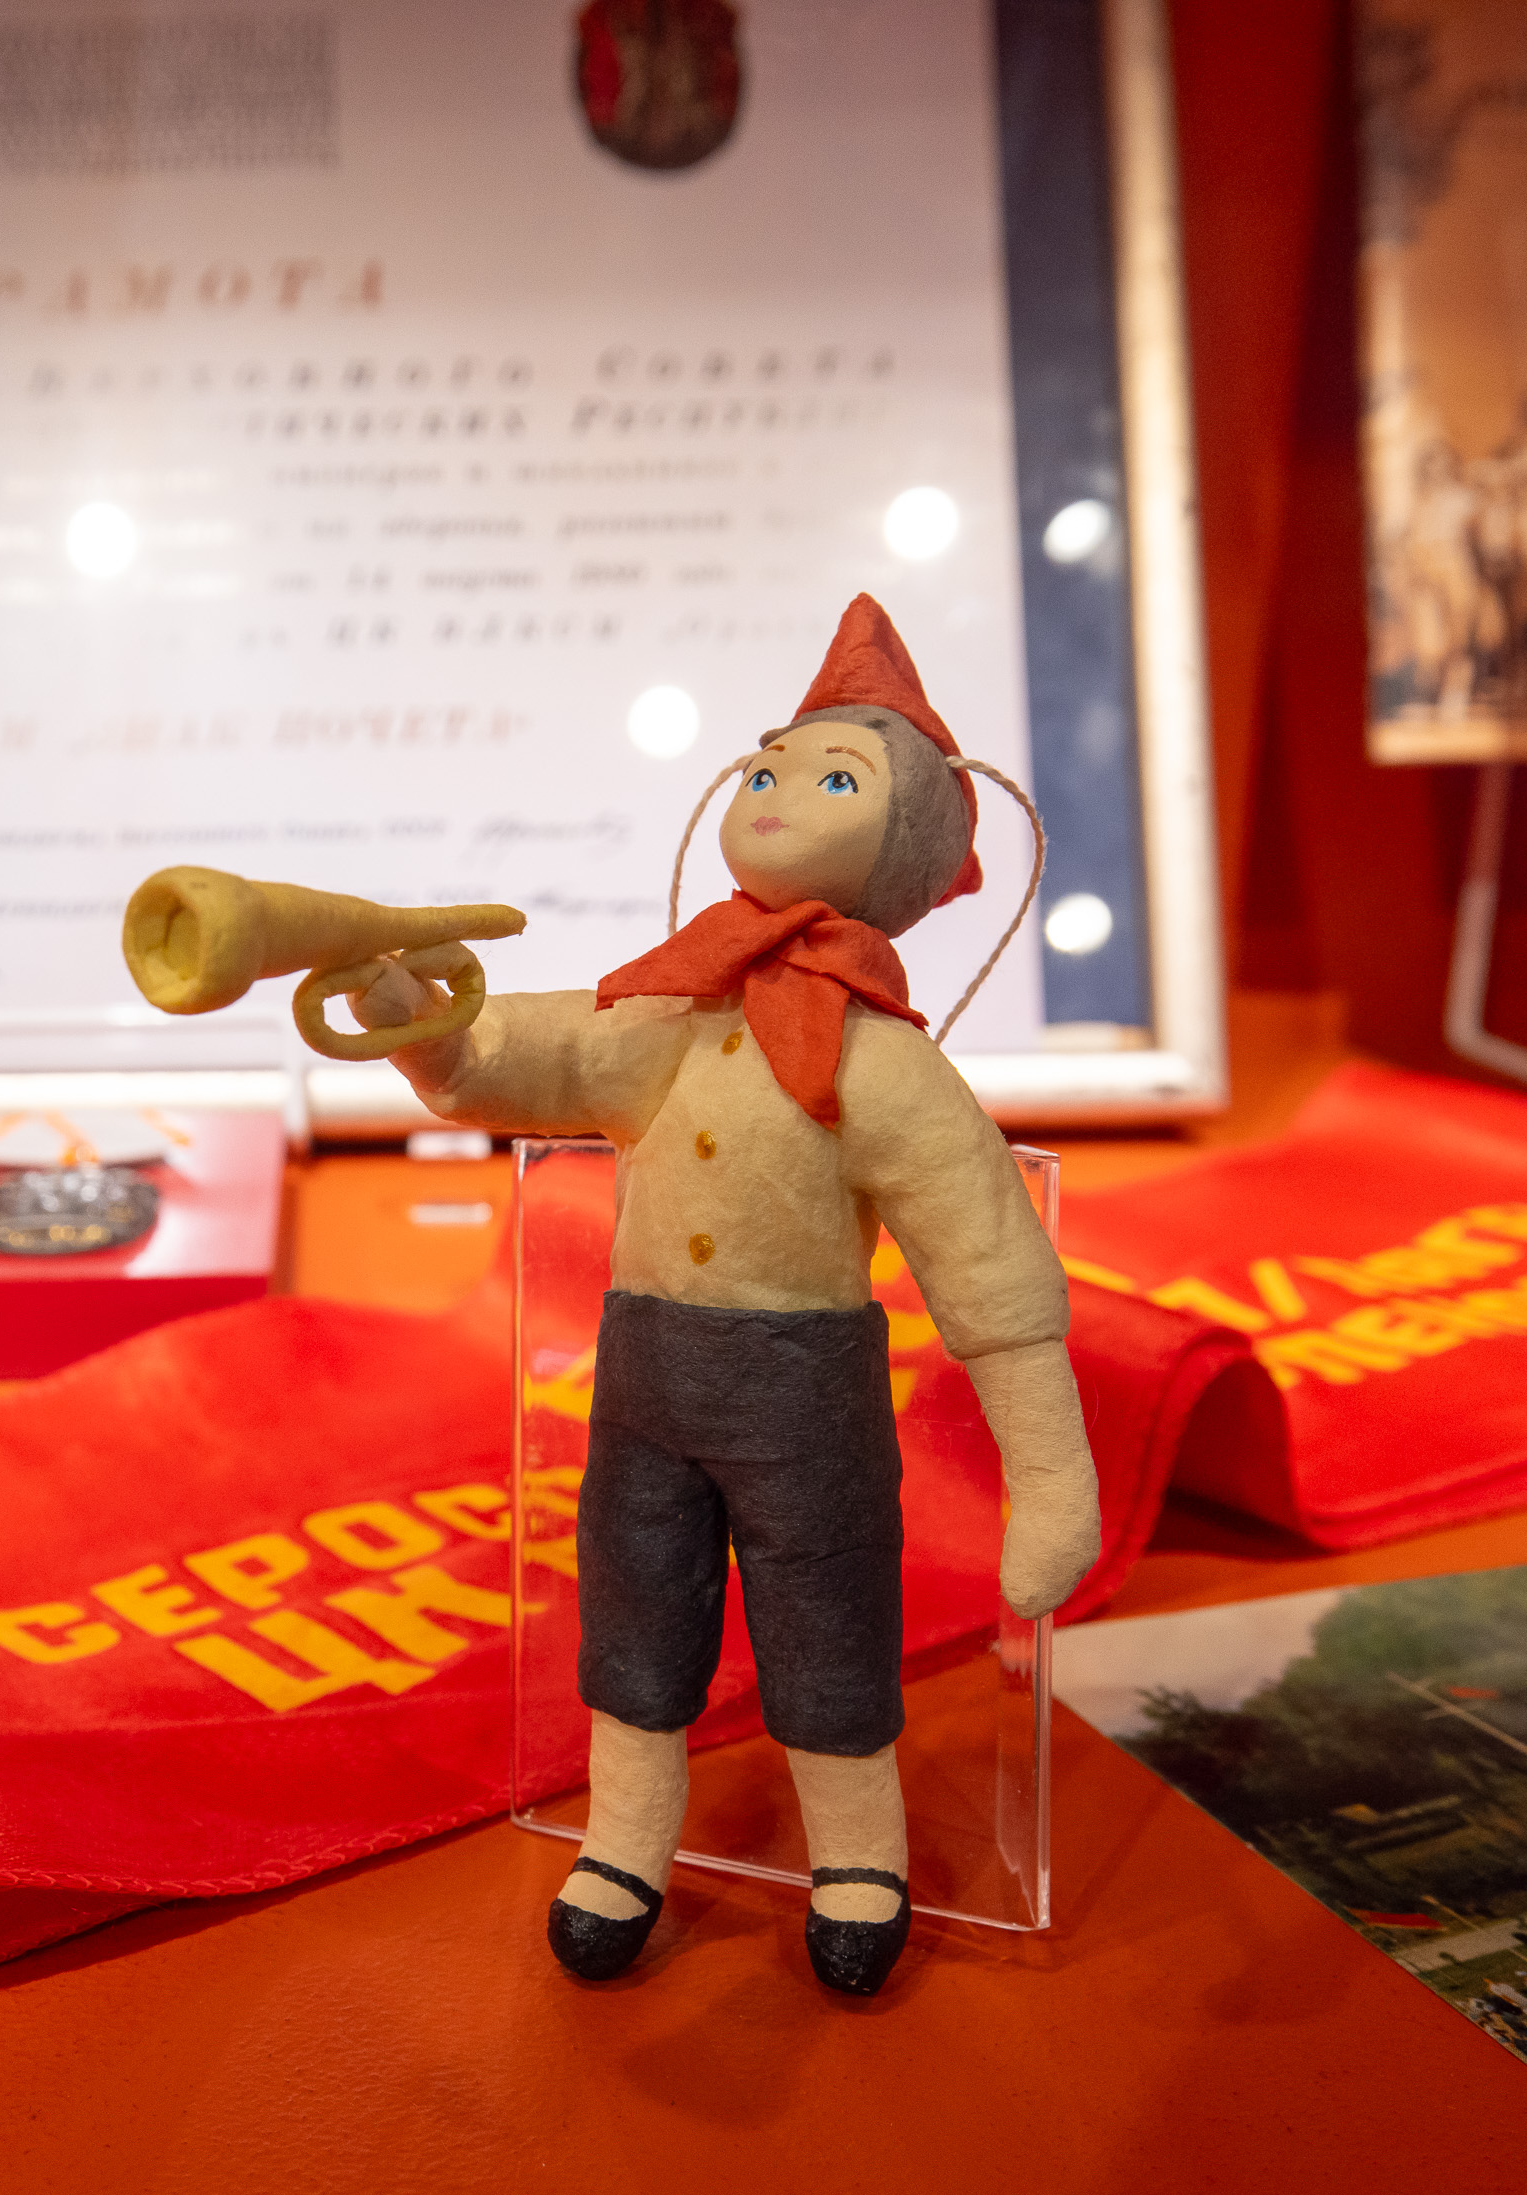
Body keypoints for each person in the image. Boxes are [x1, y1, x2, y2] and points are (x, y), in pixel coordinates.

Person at [348, 594, 1093, 1995]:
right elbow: (522, 1055)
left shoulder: (883, 1066)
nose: (774, 790)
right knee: (634, 1606)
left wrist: (1048, 1476)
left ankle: (857, 1859)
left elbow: (989, 1261)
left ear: (910, 850)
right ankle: (625, 1842)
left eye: (833, 780)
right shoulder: (669, 1011)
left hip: (805, 1395)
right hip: (646, 1383)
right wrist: (424, 1025)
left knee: (826, 1610)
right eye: (767, 764)